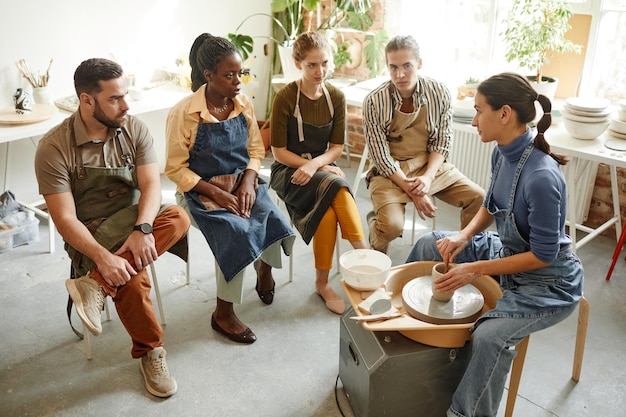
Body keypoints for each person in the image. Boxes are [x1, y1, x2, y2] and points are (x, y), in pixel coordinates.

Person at [405, 72, 584, 417]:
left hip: (549, 282)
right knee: (433, 243)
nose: (473, 121)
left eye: (478, 111)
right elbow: (490, 203)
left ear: (504, 114)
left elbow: (544, 255)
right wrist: (462, 237)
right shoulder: (502, 152)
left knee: (490, 337)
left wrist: (474, 269)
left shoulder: (541, 177)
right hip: (507, 252)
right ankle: (412, 347)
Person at [34, 58, 190, 398]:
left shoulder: (133, 128)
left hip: (136, 219)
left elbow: (151, 187)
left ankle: (95, 287)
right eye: (115, 99)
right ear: (86, 100)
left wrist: (144, 228)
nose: (126, 105)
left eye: (126, 95)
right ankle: (151, 352)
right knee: (130, 274)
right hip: (90, 234)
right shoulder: (54, 147)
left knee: (177, 216)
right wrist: (103, 258)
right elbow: (64, 220)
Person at [165, 33, 295, 344]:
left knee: (273, 218)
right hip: (198, 193)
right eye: (229, 75)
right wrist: (217, 193)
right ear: (208, 75)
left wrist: (249, 180)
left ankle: (264, 267)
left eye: (240, 73)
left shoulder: (243, 104)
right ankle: (223, 312)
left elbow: (255, 151)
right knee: (235, 232)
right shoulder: (184, 113)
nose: (238, 81)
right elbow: (174, 169)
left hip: (241, 182)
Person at [269, 31, 369, 315]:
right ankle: (367, 259)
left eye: (324, 63)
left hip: (320, 168)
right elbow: (278, 152)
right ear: (298, 63)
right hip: (288, 170)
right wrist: (312, 165)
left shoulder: (336, 96)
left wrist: (318, 164)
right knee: (336, 184)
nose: (320, 71)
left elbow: (337, 147)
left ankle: (322, 283)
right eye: (312, 65)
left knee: (327, 209)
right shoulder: (286, 98)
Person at [362, 35, 485, 254]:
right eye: (393, 67)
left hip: (429, 166)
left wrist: (427, 178)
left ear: (419, 63)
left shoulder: (439, 92)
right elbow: (380, 156)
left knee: (479, 197)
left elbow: (442, 142)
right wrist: (415, 191)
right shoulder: (374, 100)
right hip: (390, 171)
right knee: (391, 227)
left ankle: (463, 254)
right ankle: (377, 231)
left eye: (407, 66)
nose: (399, 75)